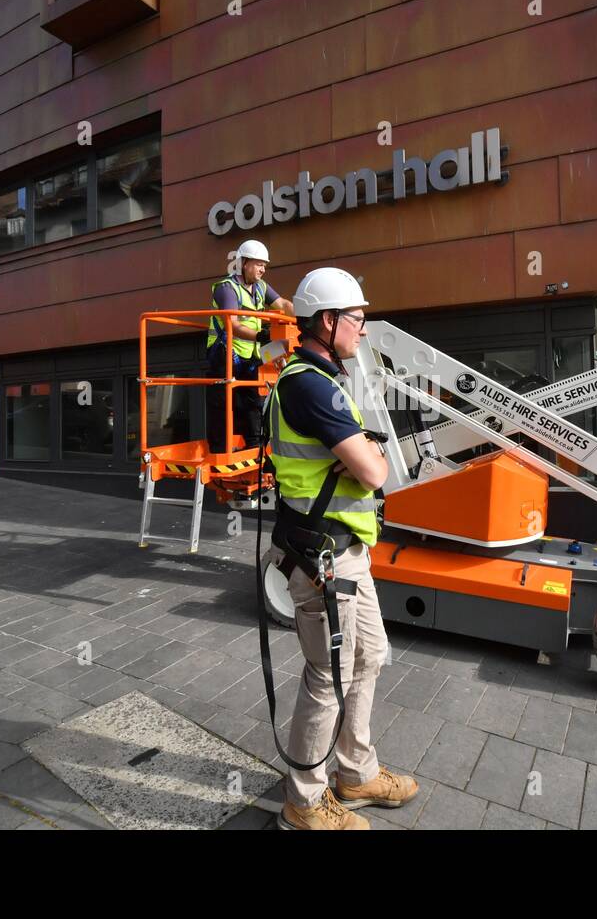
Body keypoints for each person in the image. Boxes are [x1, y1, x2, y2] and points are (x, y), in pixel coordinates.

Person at [265, 266, 419, 830]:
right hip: (323, 556)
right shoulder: (307, 384)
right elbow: (375, 473)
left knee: (369, 655)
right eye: (357, 319)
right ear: (327, 322)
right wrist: (371, 462)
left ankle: (354, 772)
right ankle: (304, 802)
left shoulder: (321, 380)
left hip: (346, 550)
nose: (365, 330)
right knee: (326, 675)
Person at [205, 240, 293, 452]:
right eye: (258, 264)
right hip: (225, 352)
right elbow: (232, 325)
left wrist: (307, 316)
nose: (263, 269)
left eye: (264, 265)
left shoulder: (261, 287)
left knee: (253, 400)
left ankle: (254, 446)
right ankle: (220, 449)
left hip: (251, 353)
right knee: (223, 402)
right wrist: (262, 336)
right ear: (244, 263)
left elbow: (283, 305)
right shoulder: (227, 288)